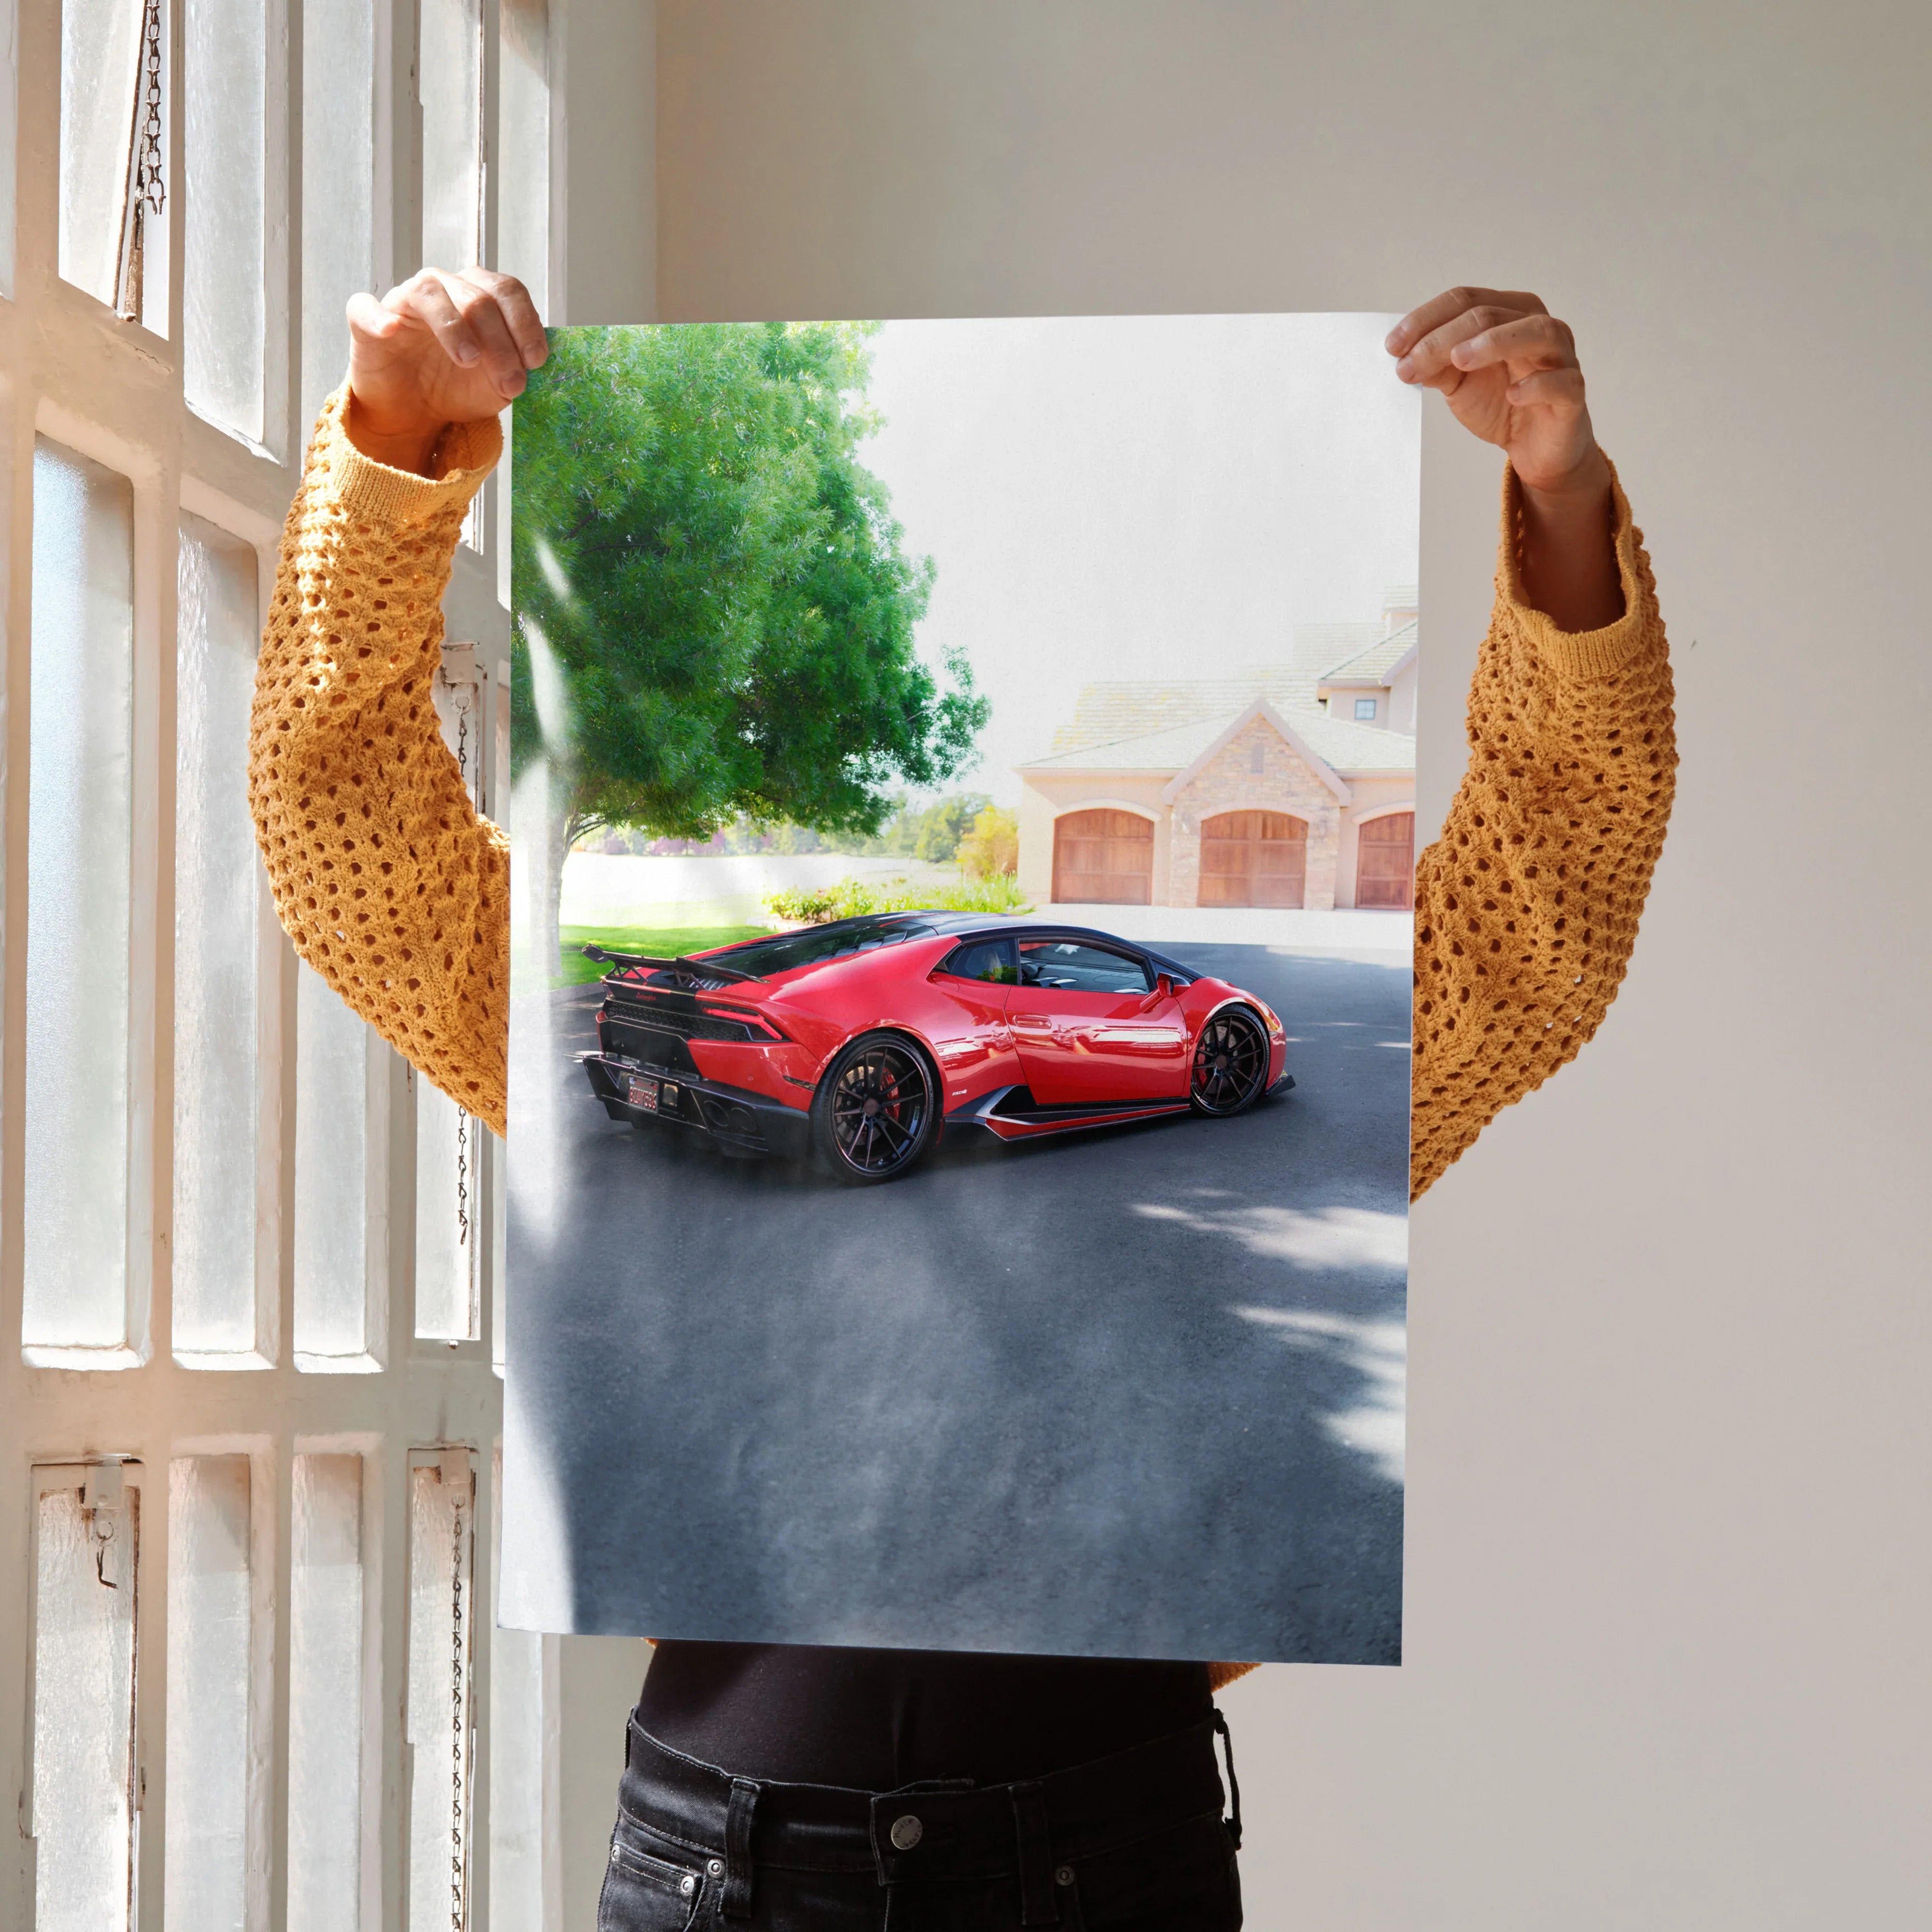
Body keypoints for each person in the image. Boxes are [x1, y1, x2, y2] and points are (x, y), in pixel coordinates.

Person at [250, 270, 1675, 1929]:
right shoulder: (648, 1035)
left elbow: (1545, 908)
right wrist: (391, 446)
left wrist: (1562, 498)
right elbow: (346, 839)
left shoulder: (1242, 1057)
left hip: (1095, 1851)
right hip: (732, 1865)